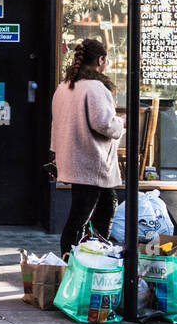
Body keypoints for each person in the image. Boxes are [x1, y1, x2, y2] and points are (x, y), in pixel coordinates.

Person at [52, 37, 125, 259]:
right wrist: (120, 121)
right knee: (80, 218)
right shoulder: (95, 87)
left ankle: (95, 256)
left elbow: (56, 123)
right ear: (101, 60)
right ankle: (72, 262)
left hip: (74, 159)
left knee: (106, 206)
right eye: (106, 60)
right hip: (91, 161)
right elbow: (103, 123)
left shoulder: (64, 87)